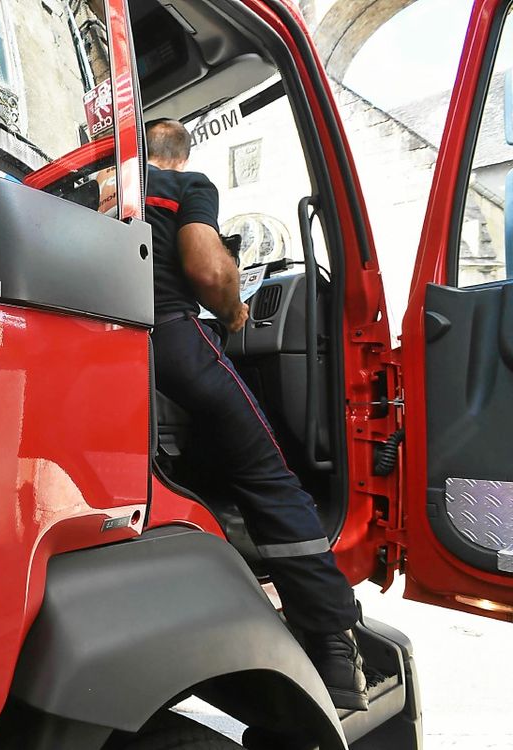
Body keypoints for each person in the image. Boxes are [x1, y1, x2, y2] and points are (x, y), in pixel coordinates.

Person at [143, 118, 368, 711]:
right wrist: (236, 312)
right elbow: (208, 270)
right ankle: (334, 644)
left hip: (109, 341)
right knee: (268, 470)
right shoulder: (187, 183)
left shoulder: (105, 187)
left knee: (202, 454)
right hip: (172, 334)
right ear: (181, 153)